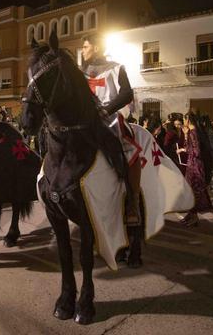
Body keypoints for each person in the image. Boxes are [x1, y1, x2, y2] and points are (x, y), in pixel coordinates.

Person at [80, 34, 143, 266]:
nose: (83, 51)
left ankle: (132, 201)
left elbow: (126, 94)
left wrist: (105, 109)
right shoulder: (80, 73)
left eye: (85, 47)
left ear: (95, 47)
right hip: (84, 123)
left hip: (110, 120)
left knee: (128, 151)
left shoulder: (116, 68)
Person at [178, 112, 213, 227]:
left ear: (188, 120)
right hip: (192, 164)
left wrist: (183, 150)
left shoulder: (194, 132)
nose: (183, 123)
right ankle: (191, 215)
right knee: (191, 191)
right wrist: (185, 135)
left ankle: (193, 216)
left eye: (184, 120)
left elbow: (196, 151)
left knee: (194, 191)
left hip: (195, 166)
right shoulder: (192, 132)